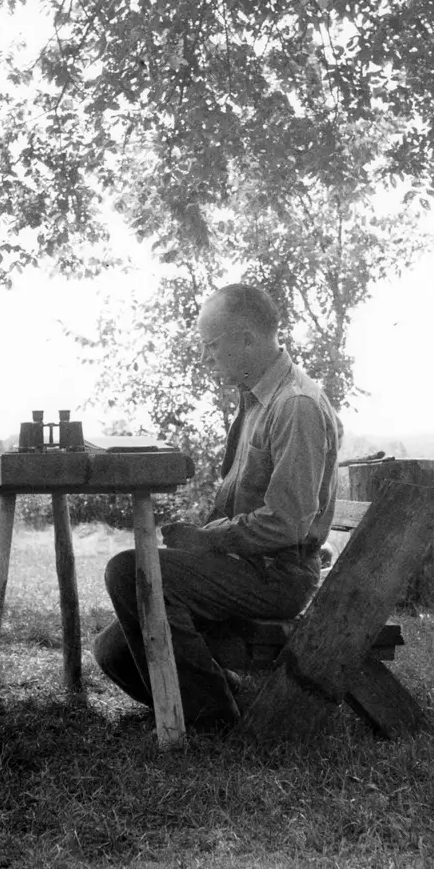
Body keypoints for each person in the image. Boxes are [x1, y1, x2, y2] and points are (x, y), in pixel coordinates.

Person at [91, 282, 341, 732]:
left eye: (212, 345)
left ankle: (212, 721)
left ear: (246, 338)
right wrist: (205, 541)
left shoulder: (295, 406)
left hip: (278, 574)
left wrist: (209, 540)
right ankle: (224, 697)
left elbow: (286, 523)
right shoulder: (257, 400)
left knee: (128, 571)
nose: (207, 358)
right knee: (111, 652)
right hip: (250, 564)